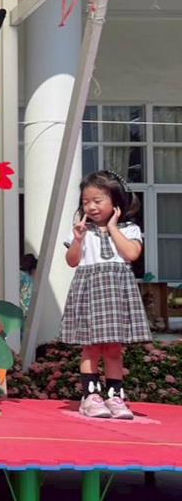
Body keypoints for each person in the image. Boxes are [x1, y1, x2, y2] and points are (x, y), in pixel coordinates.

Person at [62, 170, 149, 420]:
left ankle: (115, 397)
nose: (91, 207)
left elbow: (131, 254)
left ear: (116, 201)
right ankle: (90, 397)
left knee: (113, 349)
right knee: (90, 347)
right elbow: (71, 261)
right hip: (89, 291)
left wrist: (112, 228)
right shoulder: (82, 230)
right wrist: (78, 239)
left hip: (117, 293)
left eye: (97, 201)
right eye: (85, 201)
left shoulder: (129, 229)